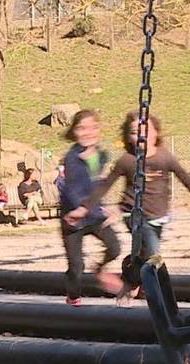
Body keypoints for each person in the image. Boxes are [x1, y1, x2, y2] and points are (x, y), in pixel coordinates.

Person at [65, 111, 190, 305]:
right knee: (153, 254)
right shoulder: (127, 160)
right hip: (134, 213)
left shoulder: (165, 157)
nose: (141, 134)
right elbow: (105, 185)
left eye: (147, 130)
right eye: (134, 132)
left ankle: (129, 276)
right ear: (128, 137)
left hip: (159, 215)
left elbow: (184, 175)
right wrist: (84, 208)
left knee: (143, 253)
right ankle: (154, 299)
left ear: (156, 132)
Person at [57, 109, 123, 306]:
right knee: (76, 265)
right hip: (74, 218)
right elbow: (71, 190)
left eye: (93, 127)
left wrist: (107, 208)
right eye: (82, 128)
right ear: (74, 132)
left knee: (115, 247)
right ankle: (73, 298)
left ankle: (99, 268)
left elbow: (97, 185)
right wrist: (82, 209)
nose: (88, 132)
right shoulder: (72, 158)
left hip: (93, 215)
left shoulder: (101, 155)